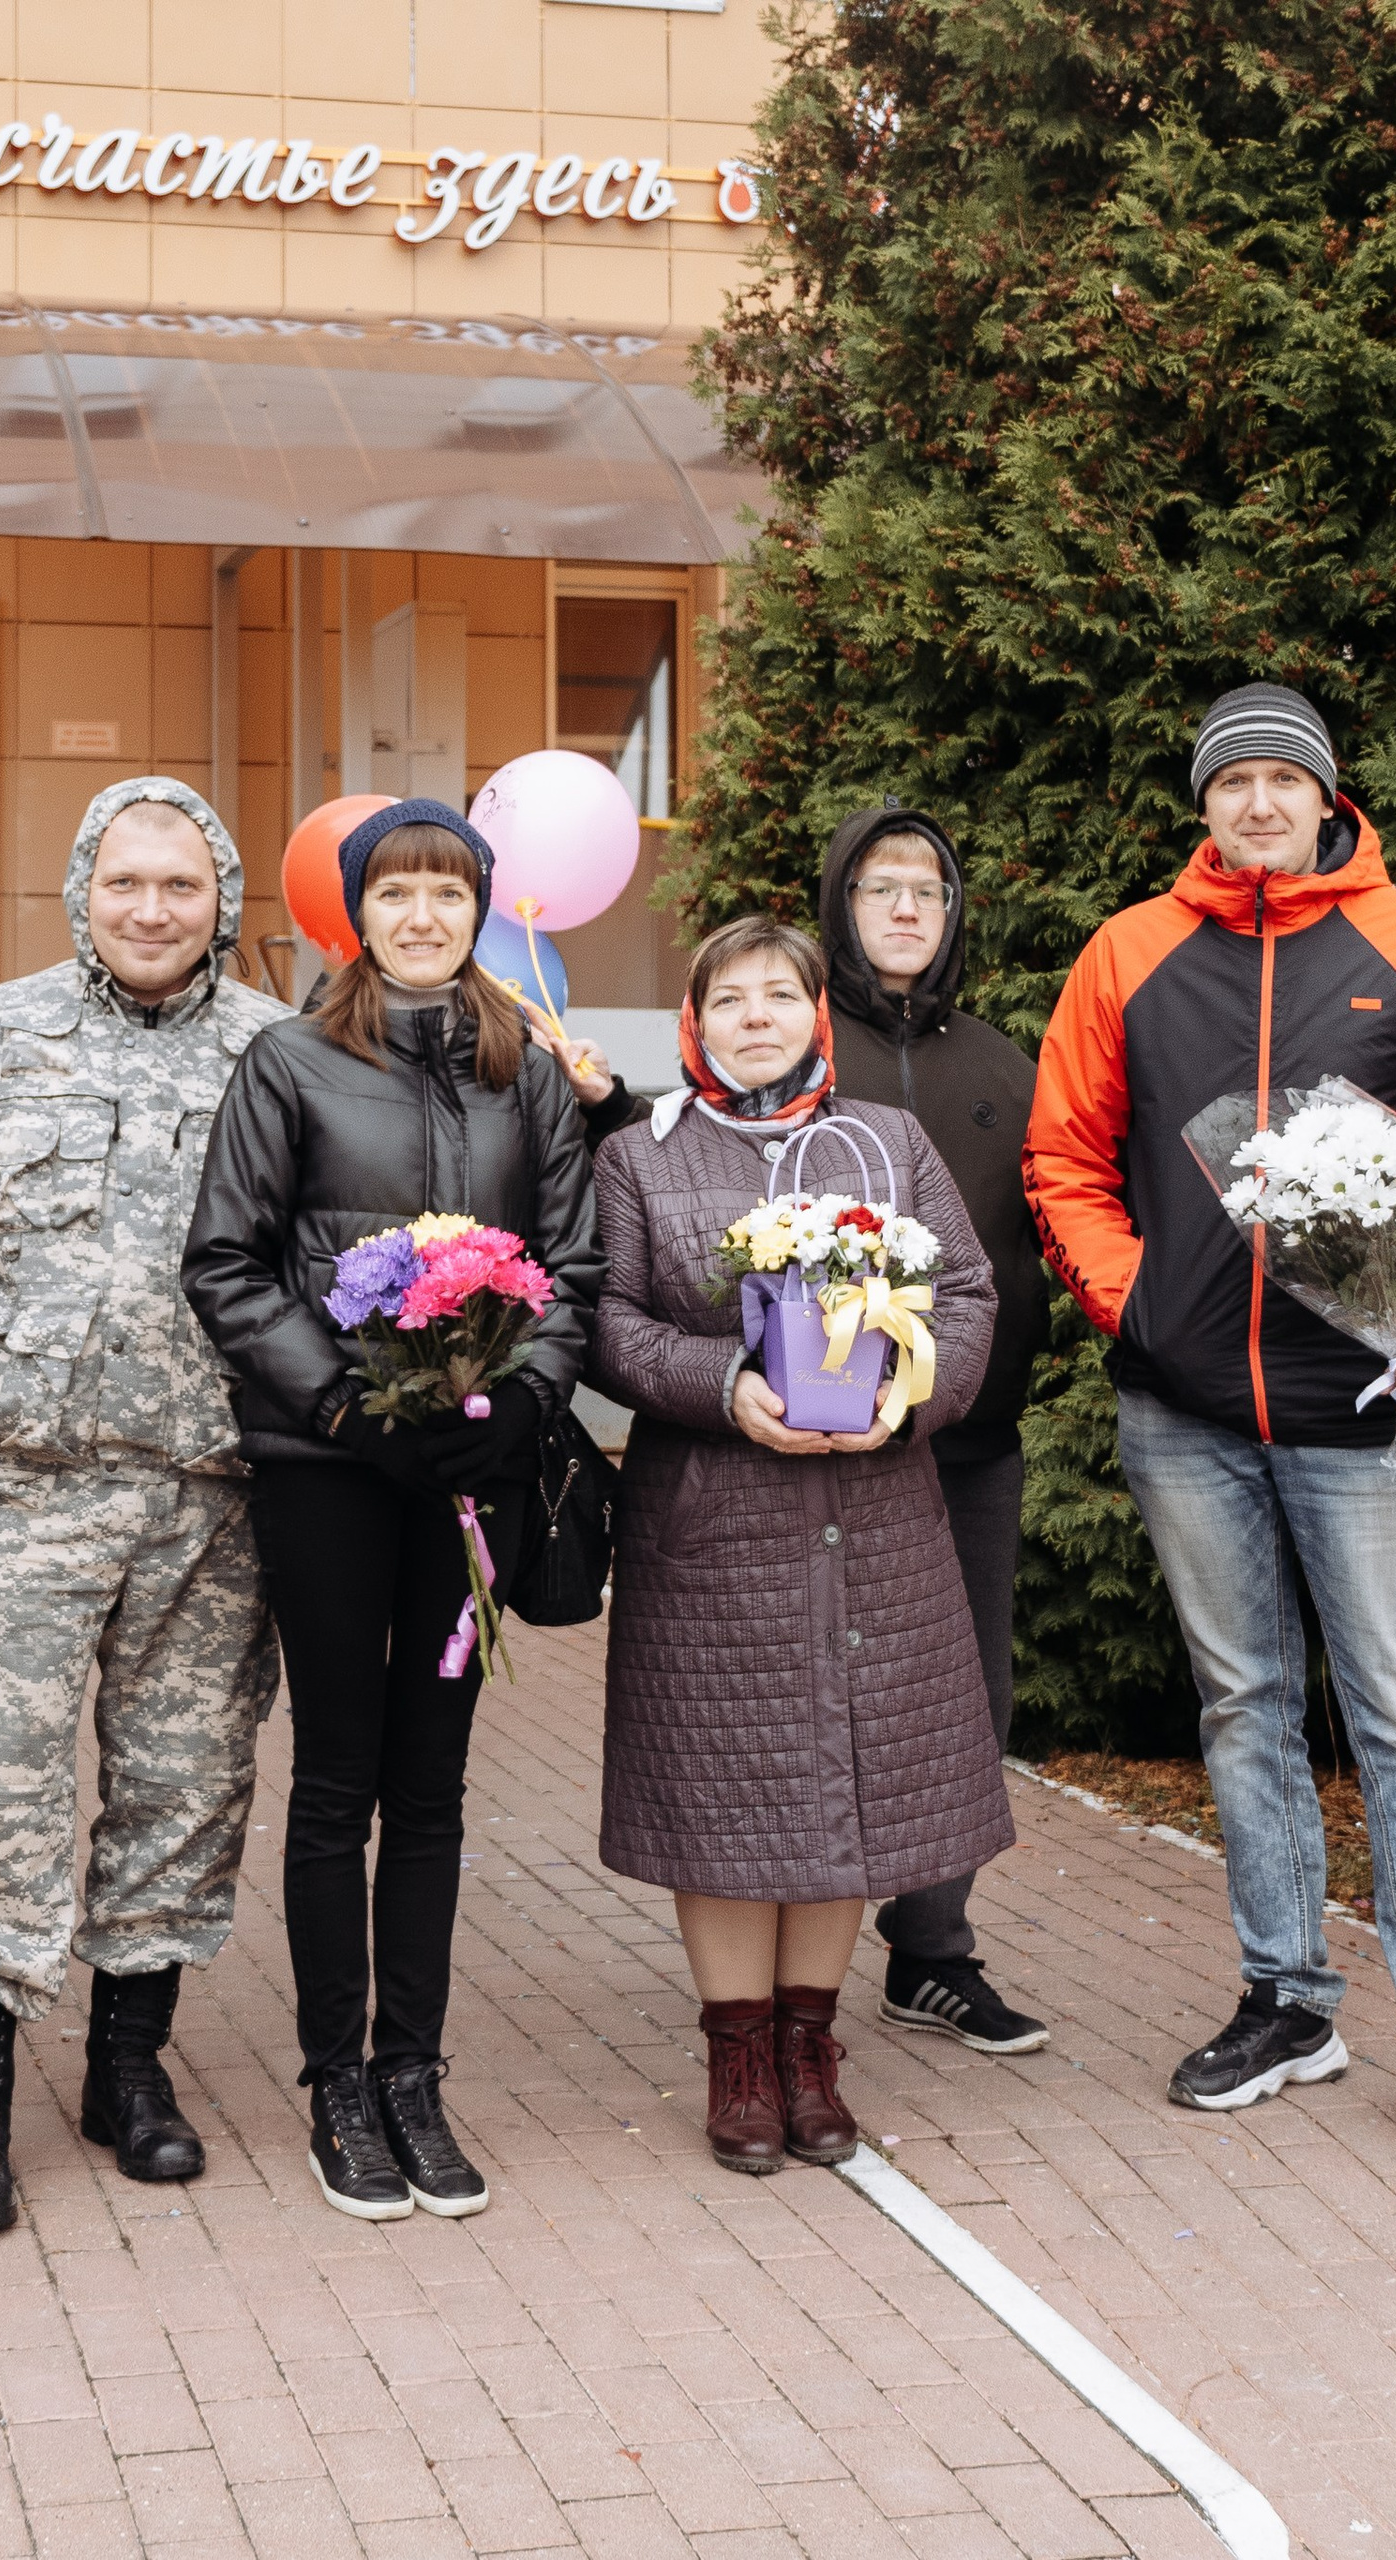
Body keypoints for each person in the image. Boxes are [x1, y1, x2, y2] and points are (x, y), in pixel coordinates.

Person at [0, 777, 284, 2237]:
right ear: (81, 893)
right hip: (33, 1490)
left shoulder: (279, 1056)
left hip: (213, 1494)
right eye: (126, 884)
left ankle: (127, 2074)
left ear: (221, 900)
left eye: (181, 886)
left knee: (182, 1791)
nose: (152, 910)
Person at [185, 801, 602, 2223]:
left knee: (433, 1783)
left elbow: (574, 1263)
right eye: (398, 893)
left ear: (480, 909)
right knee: (338, 1776)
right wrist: (346, 1406)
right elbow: (229, 1264)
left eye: (449, 893)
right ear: (355, 913)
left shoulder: (525, 1074)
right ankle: (336, 2082)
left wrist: (519, 1408)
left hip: (469, 1485)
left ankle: (413, 2071)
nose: (424, 917)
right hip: (328, 1473)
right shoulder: (289, 1061)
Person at [586, 916, 1008, 2176]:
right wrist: (727, 1383)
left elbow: (970, 1297)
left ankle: (812, 2050)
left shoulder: (886, 1144)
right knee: (723, 1793)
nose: (756, 1015)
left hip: (872, 1516)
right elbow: (606, 1319)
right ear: (694, 1021)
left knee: (847, 1779)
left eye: (781, 994)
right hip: (713, 1525)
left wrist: (909, 1394)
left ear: (817, 1016)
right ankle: (737, 2056)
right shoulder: (639, 1159)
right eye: (730, 998)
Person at [1027, 684, 1396, 2112]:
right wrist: (1141, 1307)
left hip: (1364, 1417)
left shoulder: (1385, 939)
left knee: (1387, 1709)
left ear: (1325, 799)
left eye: (1281, 782)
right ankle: (1289, 1999)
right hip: (1184, 1407)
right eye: (1231, 782)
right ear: (1203, 804)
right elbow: (1065, 1160)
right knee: (1244, 1703)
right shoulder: (1133, 950)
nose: (1257, 805)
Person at [814, 806, 1052, 2053]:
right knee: (821, 1688)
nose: (908, 908)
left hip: (969, 1439)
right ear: (839, 903)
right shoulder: (792, 1044)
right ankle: (790, 1964)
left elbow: (1055, 1220)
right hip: (815, 1444)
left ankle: (931, 1949)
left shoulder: (1004, 1066)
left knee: (966, 1695)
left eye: (930, 891)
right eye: (881, 887)